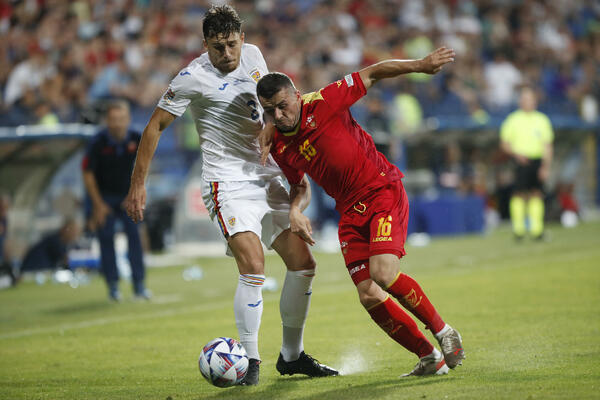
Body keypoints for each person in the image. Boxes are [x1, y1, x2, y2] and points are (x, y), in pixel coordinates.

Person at [123, 5, 336, 385]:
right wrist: (139, 184)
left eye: (232, 44)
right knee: (254, 265)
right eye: (218, 47)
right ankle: (250, 362)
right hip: (227, 183)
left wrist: (271, 126)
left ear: (242, 38)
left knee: (304, 265)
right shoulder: (192, 78)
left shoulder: (253, 56)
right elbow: (154, 126)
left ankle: (292, 356)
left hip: (265, 176)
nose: (227, 54)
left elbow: (268, 104)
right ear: (205, 44)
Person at [256, 46, 465, 376]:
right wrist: (295, 210)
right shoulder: (279, 145)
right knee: (368, 294)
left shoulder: (324, 102)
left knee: (383, 273)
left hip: (381, 192)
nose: (279, 116)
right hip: (350, 213)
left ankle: (444, 331)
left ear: (296, 95)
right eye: (270, 111)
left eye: (283, 105)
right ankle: (430, 358)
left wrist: (420, 65)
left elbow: (373, 72)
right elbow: (300, 186)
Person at [82, 100, 150, 301]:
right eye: (113, 119)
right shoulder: (97, 142)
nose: (118, 123)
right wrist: (98, 205)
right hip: (103, 195)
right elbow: (88, 173)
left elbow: (144, 166)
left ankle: (139, 285)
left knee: (134, 235)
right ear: (107, 121)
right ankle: (112, 286)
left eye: (121, 119)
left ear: (128, 119)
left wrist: (135, 192)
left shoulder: (137, 138)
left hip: (128, 194)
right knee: (105, 237)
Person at [500, 87, 554, 240]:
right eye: (524, 99)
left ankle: (537, 230)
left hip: (537, 160)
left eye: (530, 99)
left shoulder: (542, 120)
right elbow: (504, 144)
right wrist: (516, 154)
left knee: (537, 193)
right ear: (520, 102)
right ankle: (519, 230)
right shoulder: (513, 119)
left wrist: (545, 166)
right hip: (520, 161)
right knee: (519, 193)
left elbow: (547, 145)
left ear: (535, 101)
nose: (527, 102)